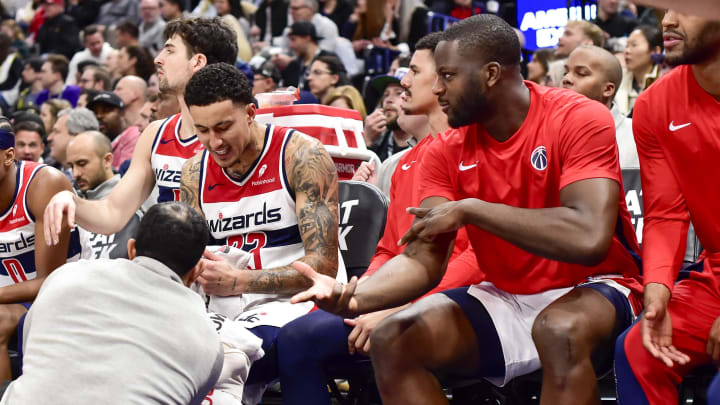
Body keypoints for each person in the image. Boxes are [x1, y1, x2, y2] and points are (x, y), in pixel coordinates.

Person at [290, 14, 641, 404]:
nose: (437, 89)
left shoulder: (577, 116)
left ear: (490, 74)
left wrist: (474, 209)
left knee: (558, 330)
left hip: (597, 284)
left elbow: (588, 236)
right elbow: (424, 259)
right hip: (507, 292)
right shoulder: (445, 149)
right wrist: (355, 297)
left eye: (448, 76)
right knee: (394, 339)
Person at [276, 32, 483, 405]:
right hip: (406, 294)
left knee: (306, 340)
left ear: (443, 80)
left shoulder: (475, 151)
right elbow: (389, 249)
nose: (403, 81)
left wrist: (397, 308)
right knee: (294, 336)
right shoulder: (405, 164)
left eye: (414, 72)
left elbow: (474, 257)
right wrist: (366, 298)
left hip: (461, 298)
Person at [180, 62, 345, 402]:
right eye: (202, 130)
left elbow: (323, 268)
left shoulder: (301, 155)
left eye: (224, 127)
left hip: (296, 301)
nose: (215, 142)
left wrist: (239, 281)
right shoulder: (194, 172)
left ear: (251, 113)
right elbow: (189, 260)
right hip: (225, 304)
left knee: (218, 362)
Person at [0, 202, 223, 404]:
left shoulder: (67, 275)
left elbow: (32, 350)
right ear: (195, 272)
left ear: (132, 249)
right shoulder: (208, 340)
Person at [43, 18, 237, 245]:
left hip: (225, 262)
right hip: (171, 267)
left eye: (170, 51)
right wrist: (71, 201)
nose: (158, 59)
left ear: (197, 62)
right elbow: (112, 215)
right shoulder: (156, 134)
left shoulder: (238, 132)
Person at [614, 9, 720, 404]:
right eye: (664, 9)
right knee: (638, 351)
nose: (669, 20)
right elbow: (666, 212)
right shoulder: (655, 103)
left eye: (687, 6)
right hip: (714, 273)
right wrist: (657, 288)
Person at [0, 117, 80, 381]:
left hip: (61, 292)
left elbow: (51, 281)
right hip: (9, 294)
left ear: (8, 156)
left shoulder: (44, 184)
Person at [66, 131, 141, 259]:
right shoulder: (69, 203)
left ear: (107, 160)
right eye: (71, 166)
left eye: (82, 164)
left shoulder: (137, 198)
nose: (75, 174)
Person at [364, 68, 411, 162]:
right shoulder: (378, 142)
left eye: (398, 93)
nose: (389, 100)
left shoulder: (426, 147)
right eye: (386, 94)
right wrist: (367, 141)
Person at [615, 24, 663, 116]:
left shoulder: (664, 80)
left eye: (634, 45)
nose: (627, 51)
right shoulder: (619, 78)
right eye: (626, 46)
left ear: (656, 51)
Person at [277, 21, 336, 89]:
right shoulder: (294, 64)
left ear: (307, 38)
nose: (291, 45)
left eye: (293, 39)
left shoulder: (329, 59)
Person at [547, 20, 605, 87]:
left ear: (587, 43)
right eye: (565, 73)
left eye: (568, 34)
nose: (560, 38)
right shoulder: (556, 68)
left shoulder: (605, 71)